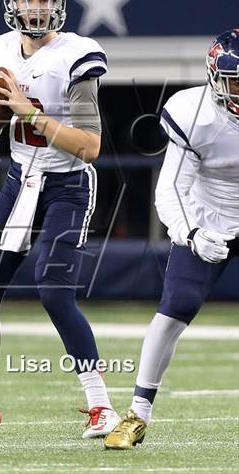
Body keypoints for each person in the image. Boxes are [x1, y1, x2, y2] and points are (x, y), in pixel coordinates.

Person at [0, 0, 120, 439]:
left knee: (54, 292)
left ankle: (102, 407)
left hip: (68, 182)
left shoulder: (78, 54)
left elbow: (89, 147)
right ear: (11, 3)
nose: (36, 7)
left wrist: (26, 110)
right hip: (21, 179)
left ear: (59, 4)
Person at [104, 29, 239, 450]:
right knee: (175, 308)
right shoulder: (193, 113)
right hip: (209, 215)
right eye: (237, 80)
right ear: (216, 78)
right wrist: (192, 234)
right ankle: (137, 414)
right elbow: (171, 189)